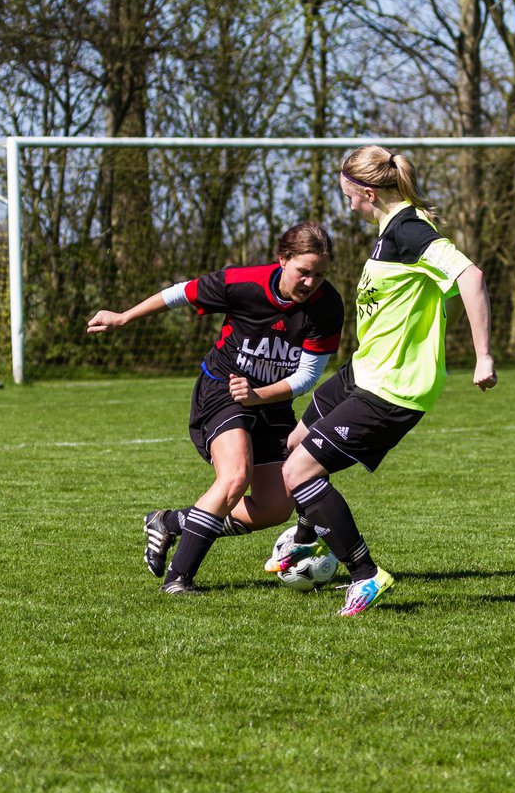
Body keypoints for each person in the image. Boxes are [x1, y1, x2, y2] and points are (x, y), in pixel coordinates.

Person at [268, 145, 498, 616]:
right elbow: (443, 293)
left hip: (393, 388)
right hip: (363, 371)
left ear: (367, 191)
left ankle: (365, 575)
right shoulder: (390, 230)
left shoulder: (410, 231)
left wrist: (482, 356)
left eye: (349, 195)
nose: (347, 204)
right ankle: (311, 539)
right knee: (292, 447)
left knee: (298, 473)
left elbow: (470, 278)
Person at [86, 222, 344, 593]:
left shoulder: (327, 305)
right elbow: (181, 293)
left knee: (275, 508)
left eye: (320, 275)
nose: (310, 282)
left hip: (270, 403)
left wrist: (259, 395)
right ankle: (178, 579)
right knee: (235, 477)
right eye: (304, 271)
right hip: (221, 389)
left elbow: (306, 377)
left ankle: (172, 523)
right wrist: (124, 317)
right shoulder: (244, 282)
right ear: (282, 259)